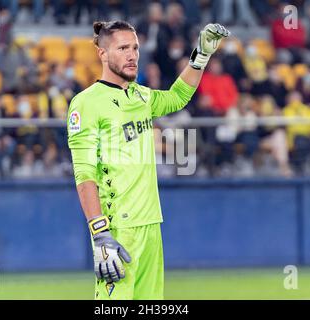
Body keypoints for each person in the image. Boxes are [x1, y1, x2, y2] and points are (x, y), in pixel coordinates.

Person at [67, 20, 229, 300]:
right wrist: (100, 234)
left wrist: (201, 55)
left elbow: (178, 97)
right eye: (122, 48)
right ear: (103, 54)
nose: (132, 55)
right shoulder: (86, 103)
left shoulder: (141, 96)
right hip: (118, 229)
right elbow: (84, 175)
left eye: (135, 48)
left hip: (151, 224)